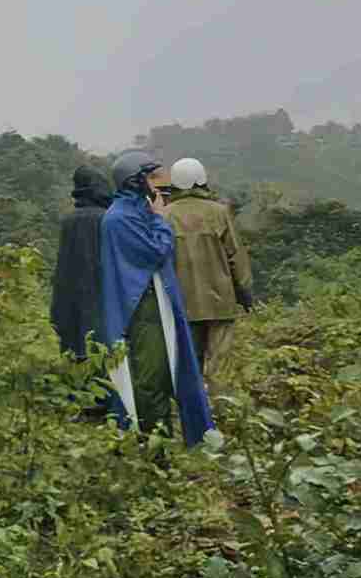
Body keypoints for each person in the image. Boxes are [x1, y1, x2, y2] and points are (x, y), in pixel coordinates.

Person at [97, 150, 212, 445]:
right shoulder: (120, 219)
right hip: (141, 308)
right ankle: (154, 449)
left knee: (166, 373)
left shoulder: (136, 212)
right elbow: (156, 252)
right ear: (135, 181)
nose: (157, 184)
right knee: (152, 379)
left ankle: (163, 441)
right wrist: (161, 219)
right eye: (150, 177)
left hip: (154, 303)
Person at [164, 158, 254, 390]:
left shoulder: (165, 215)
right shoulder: (220, 212)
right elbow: (236, 256)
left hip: (183, 304)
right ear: (202, 180)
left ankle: (192, 413)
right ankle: (220, 409)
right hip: (220, 302)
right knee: (219, 366)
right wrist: (244, 292)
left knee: (188, 363)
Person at [48, 165, 114, 360]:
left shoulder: (68, 220)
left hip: (70, 299)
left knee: (77, 355)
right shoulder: (107, 218)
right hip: (101, 297)